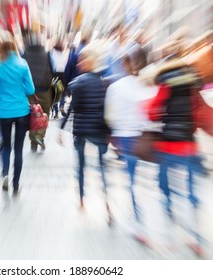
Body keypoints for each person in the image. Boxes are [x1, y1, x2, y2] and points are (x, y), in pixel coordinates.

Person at [147, 58, 206, 256]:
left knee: (165, 189)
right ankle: (196, 238)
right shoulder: (193, 86)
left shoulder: (166, 84)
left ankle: (168, 237)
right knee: (191, 192)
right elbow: (199, 114)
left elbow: (151, 113)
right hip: (189, 145)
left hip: (167, 145)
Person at [105, 55, 154, 242]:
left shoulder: (114, 88)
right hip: (140, 136)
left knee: (131, 178)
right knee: (139, 177)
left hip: (123, 137)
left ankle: (137, 221)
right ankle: (137, 218)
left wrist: (114, 133)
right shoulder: (143, 86)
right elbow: (149, 113)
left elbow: (110, 117)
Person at [58, 42, 110, 209]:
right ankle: (106, 202)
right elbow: (106, 108)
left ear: (89, 62)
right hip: (99, 130)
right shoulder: (103, 83)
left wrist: (61, 128)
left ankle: (81, 201)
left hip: (81, 130)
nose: (79, 63)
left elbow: (73, 107)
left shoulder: (77, 83)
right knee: (102, 167)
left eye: (81, 60)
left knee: (81, 166)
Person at [0, 41, 35, 196]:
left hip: (4, 112)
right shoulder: (23, 64)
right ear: (14, 48)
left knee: (6, 146)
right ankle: (16, 184)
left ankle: (5, 173)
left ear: (0, 49)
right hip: (22, 110)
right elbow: (30, 89)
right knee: (19, 149)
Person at [23, 33, 53, 152]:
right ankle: (40, 136)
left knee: (32, 114)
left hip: (29, 90)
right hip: (45, 89)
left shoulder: (24, 54)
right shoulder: (46, 54)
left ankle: (33, 140)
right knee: (44, 113)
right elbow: (53, 69)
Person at [50, 40, 68, 119]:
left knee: (55, 92)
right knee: (62, 91)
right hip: (63, 73)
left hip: (54, 74)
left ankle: (56, 113)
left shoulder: (51, 52)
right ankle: (62, 106)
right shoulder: (64, 53)